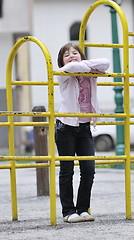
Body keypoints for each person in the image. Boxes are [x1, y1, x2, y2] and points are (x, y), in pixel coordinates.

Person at [55, 43, 110, 223]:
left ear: (82, 55)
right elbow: (71, 67)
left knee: (89, 169)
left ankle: (83, 209)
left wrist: (88, 65)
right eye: (66, 54)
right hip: (66, 127)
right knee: (67, 170)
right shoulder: (64, 75)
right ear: (61, 61)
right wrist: (90, 67)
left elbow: (106, 62)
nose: (71, 56)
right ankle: (68, 212)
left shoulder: (88, 72)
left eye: (75, 53)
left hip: (85, 128)